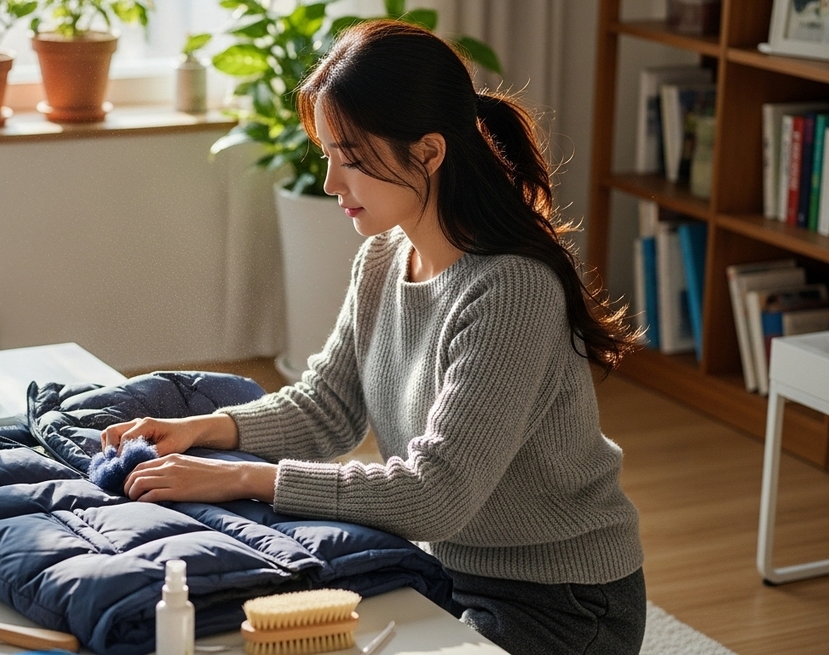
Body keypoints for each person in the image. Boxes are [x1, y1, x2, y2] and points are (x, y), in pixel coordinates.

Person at [101, 19, 645, 655]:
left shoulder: (511, 291)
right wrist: (202, 429)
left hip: (563, 603)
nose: (332, 184)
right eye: (329, 156)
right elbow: (326, 408)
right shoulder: (384, 257)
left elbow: (434, 495)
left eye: (353, 160)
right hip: (440, 572)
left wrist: (243, 477)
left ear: (429, 153)